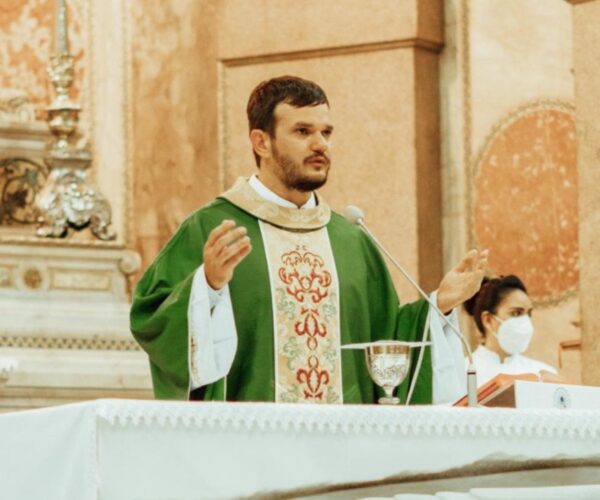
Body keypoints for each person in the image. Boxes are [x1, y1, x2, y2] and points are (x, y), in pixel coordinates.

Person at [130, 75, 487, 404]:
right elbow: (152, 321)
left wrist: (439, 305)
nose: (320, 145)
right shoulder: (213, 228)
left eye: (326, 132)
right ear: (261, 142)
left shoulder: (351, 240)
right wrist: (206, 287)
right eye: (302, 131)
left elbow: (386, 340)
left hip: (343, 443)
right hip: (251, 443)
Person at [463, 275, 558, 386]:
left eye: (528, 314)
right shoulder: (462, 372)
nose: (525, 321)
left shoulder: (542, 374)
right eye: (516, 313)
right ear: (488, 320)